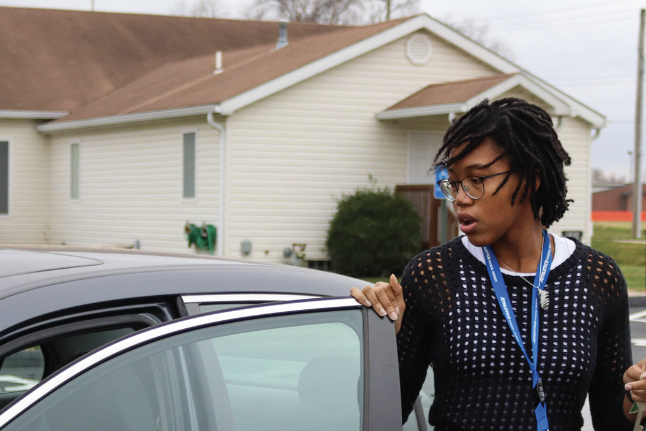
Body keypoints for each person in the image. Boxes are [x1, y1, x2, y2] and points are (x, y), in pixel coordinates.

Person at [351, 98, 646, 431]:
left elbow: (614, 421)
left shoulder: (597, 276)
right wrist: (383, 338)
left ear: (532, 178)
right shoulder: (433, 273)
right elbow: (384, 414)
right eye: (454, 183)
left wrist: (638, 400)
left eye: (477, 180)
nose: (461, 197)